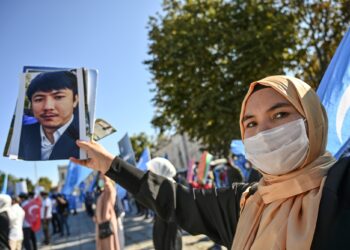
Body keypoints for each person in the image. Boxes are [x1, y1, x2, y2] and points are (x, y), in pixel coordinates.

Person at [71, 75, 350, 249]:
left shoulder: (342, 185)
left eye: (279, 115)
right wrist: (109, 164)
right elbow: (173, 198)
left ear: (312, 120)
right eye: (250, 123)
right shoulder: (244, 203)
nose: (263, 132)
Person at [18, 70, 80, 161]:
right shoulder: (23, 134)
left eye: (58, 97)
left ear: (75, 100)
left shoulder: (83, 138)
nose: (48, 107)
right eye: (39, 99)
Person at [94, 174, 120, 250]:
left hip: (106, 223)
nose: (100, 179)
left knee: (109, 245)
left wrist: (106, 180)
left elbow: (109, 205)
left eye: (101, 177)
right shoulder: (103, 191)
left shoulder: (109, 189)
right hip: (102, 223)